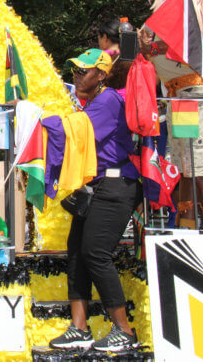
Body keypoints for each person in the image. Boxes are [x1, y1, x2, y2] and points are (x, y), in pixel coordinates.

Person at [48, 49, 142, 352]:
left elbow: (75, 134)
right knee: (76, 253)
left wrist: (33, 118)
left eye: (82, 71)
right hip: (97, 187)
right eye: (74, 71)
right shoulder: (95, 101)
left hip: (117, 185)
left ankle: (124, 331)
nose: (76, 76)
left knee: (95, 253)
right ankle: (79, 327)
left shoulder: (107, 100)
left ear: (101, 75)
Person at [138, 25, 203, 228]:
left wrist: (151, 48)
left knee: (201, 167)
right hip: (181, 96)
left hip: (201, 94)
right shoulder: (162, 11)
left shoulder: (195, 0)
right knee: (186, 167)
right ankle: (187, 227)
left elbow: (189, 42)